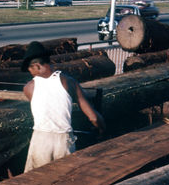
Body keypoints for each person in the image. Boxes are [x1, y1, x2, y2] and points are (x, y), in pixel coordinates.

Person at [21, 41, 106, 173]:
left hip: (40, 141)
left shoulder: (28, 88)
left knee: (36, 182)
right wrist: (101, 129)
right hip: (63, 141)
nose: (31, 73)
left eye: (30, 69)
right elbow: (93, 117)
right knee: (65, 184)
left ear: (37, 66)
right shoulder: (69, 82)